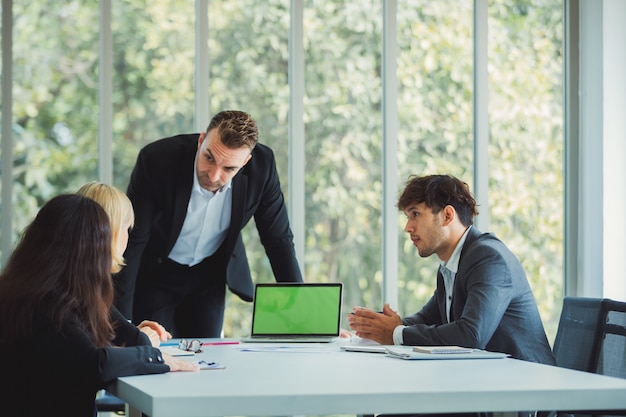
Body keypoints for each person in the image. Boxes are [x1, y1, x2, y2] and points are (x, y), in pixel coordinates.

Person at [0, 194, 198, 417]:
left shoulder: (37, 290)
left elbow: (132, 338)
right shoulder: (48, 304)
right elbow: (95, 366)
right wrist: (156, 358)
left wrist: (142, 346)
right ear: (90, 251)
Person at [115, 109, 303, 337]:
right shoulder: (157, 160)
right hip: (157, 272)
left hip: (210, 274)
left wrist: (303, 315)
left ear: (245, 162)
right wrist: (122, 324)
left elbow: (278, 240)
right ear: (201, 140)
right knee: (155, 353)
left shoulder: (262, 168)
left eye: (229, 168)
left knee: (209, 357)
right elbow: (133, 242)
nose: (213, 176)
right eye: (209, 158)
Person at [347, 174, 555, 366]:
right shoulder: (451, 265)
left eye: (415, 214)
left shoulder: (488, 258)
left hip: (524, 391)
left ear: (447, 215)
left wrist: (395, 333)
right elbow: (426, 319)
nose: (408, 227)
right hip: (487, 385)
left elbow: (471, 335)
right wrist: (373, 330)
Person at [77, 180, 171, 347]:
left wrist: (131, 333)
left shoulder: (81, 276)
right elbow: (96, 357)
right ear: (111, 231)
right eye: (127, 229)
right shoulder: (83, 286)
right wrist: (139, 340)